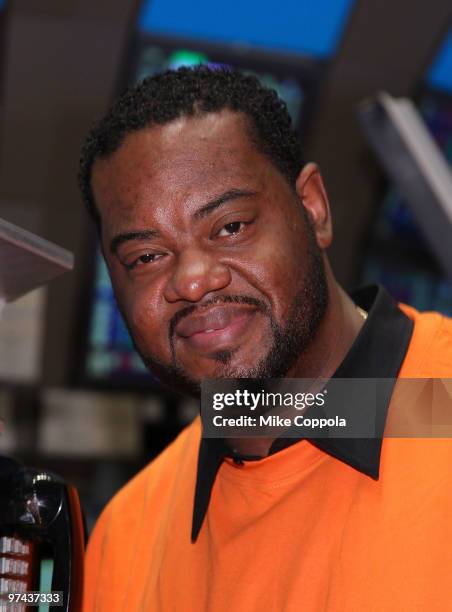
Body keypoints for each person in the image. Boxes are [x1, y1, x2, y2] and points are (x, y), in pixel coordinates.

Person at [79, 67, 452, 611]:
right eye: (147, 257)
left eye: (230, 227)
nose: (192, 279)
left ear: (313, 207)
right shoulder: (126, 536)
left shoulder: (438, 405)